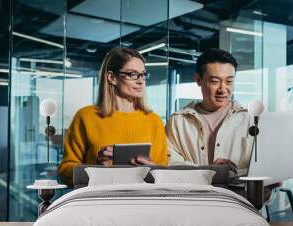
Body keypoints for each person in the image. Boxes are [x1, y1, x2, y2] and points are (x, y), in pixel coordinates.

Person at [58, 47, 168, 186]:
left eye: (143, 74)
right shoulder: (85, 117)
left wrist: (151, 170)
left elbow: (164, 174)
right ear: (112, 77)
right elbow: (64, 172)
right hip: (99, 201)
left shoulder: (154, 121)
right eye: (132, 74)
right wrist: (97, 169)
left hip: (142, 201)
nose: (141, 81)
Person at [166, 48, 253, 176]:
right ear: (198, 80)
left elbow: (260, 167)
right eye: (215, 81)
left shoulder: (249, 120)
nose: (223, 89)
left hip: (237, 195)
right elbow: (170, 163)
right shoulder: (178, 122)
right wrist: (208, 170)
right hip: (193, 194)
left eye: (229, 81)